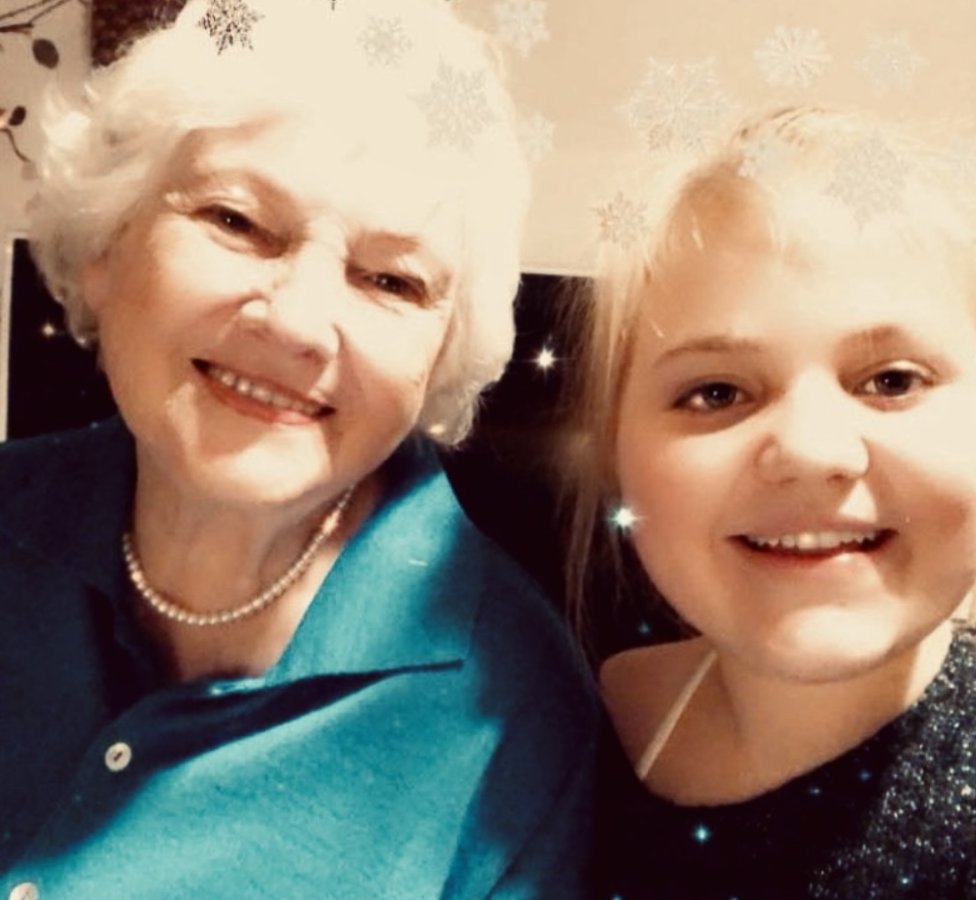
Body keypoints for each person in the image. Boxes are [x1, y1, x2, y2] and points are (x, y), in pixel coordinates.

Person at [0, 1, 598, 896]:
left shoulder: (515, 718)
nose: (296, 323)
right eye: (237, 222)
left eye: (390, 279)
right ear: (106, 245)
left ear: (442, 353)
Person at [561, 106, 976, 897]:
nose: (813, 452)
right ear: (616, 453)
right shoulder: (569, 722)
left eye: (891, 380)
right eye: (716, 392)